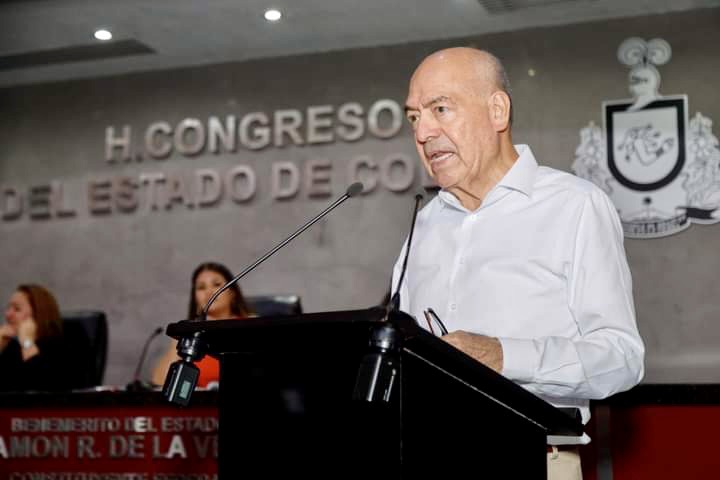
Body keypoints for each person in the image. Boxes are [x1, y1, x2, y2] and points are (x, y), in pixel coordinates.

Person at [394, 47, 644, 480]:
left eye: (440, 109)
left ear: (497, 110)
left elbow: (622, 359)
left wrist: (504, 356)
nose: (423, 132)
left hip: (533, 458)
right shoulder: (424, 223)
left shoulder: (574, 206)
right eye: (414, 117)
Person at [151, 262, 253, 387]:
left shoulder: (251, 327)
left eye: (216, 284)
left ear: (232, 293)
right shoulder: (190, 333)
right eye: (201, 287)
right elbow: (159, 382)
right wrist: (180, 339)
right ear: (195, 299)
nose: (209, 292)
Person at [0, 284, 65, 392]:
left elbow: (39, 386)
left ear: (38, 314)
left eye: (17, 309)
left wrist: (27, 342)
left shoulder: (59, 347)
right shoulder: (12, 348)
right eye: (8, 308)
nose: (8, 314)